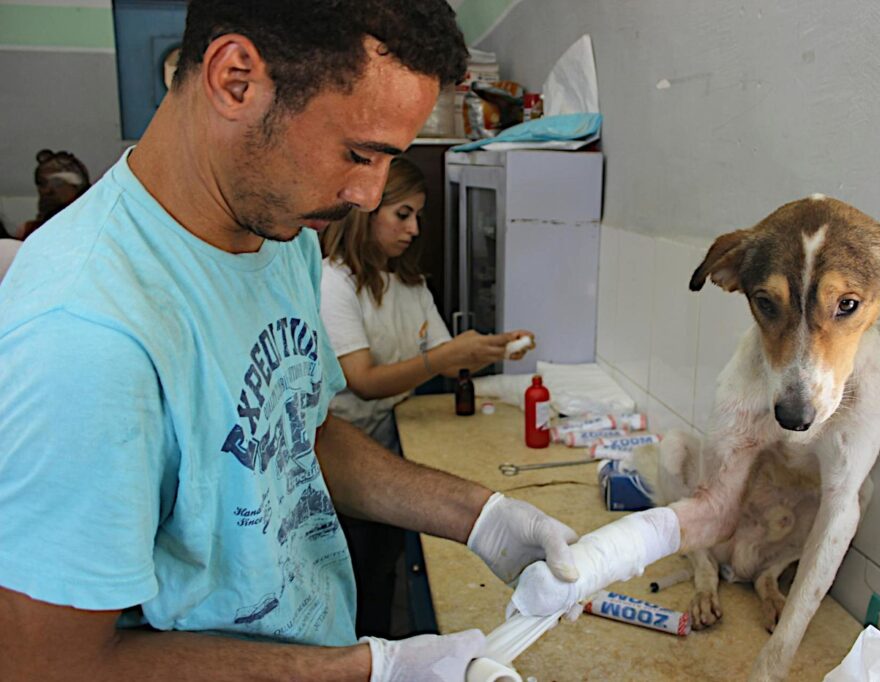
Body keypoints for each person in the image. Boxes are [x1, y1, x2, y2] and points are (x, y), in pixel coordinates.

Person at [0, 2, 581, 681]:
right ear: (236, 80)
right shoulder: (86, 335)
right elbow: (50, 665)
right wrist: (367, 668)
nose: (366, 195)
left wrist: (480, 515)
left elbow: (295, 433)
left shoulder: (281, 237)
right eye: (359, 153)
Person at [319, 157, 533, 637]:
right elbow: (364, 379)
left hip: (390, 446)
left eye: (418, 216)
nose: (414, 229)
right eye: (403, 214)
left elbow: (444, 355)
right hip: (339, 459)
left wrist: (490, 348)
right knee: (354, 579)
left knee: (381, 566)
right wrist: (445, 358)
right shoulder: (333, 282)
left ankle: (379, 639)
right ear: (367, 212)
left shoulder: (407, 283)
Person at [21, 148, 91, 239]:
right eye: (42, 184)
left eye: (57, 183)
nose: (46, 191)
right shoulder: (32, 231)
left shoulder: (93, 224)